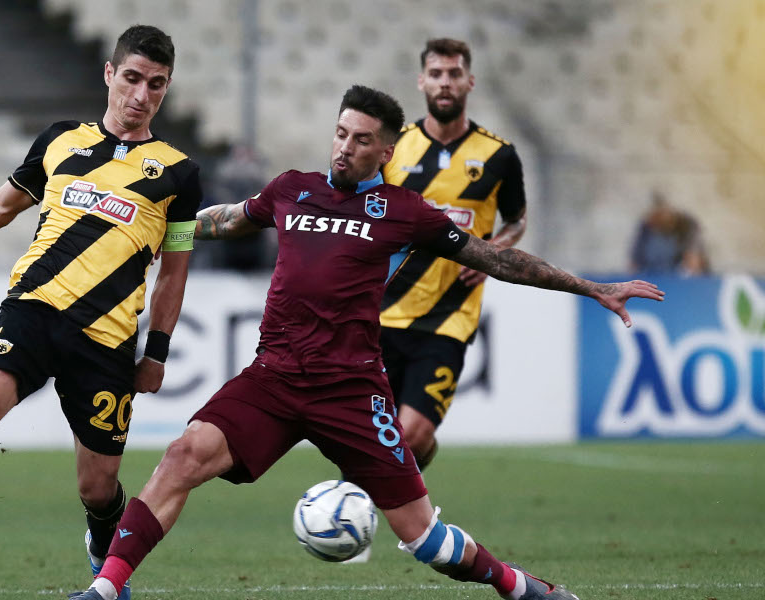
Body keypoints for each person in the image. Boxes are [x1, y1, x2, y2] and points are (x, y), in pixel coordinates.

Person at [70, 86, 663, 600]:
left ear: (386, 151)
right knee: (182, 456)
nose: (344, 148)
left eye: (360, 140)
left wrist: (591, 288)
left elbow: (498, 259)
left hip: (350, 391)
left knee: (426, 540)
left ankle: (520, 587)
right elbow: (224, 220)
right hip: (274, 377)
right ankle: (107, 587)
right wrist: (147, 219)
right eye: (340, 133)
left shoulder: (405, 212)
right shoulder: (292, 189)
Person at [0, 25, 200, 599]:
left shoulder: (179, 173)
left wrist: (157, 353)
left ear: (166, 88)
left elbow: (174, 271)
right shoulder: (60, 140)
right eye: (131, 78)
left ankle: (103, 556)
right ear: (109, 73)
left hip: (106, 339)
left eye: (156, 84)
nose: (141, 94)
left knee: (98, 487)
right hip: (33, 309)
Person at [379, 38, 528, 469]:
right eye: (437, 74)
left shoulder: (499, 155)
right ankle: (388, 500)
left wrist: (491, 254)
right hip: (381, 313)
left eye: (454, 74)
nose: (445, 82)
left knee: (409, 434)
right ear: (421, 81)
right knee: (375, 438)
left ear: (469, 81)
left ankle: (389, 490)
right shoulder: (393, 148)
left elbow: (517, 220)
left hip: (448, 319)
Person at [630, 191, 709, 275]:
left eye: (660, 216)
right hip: (651, 275)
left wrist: (691, 264)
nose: (656, 222)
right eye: (652, 218)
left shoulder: (688, 225)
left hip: (679, 276)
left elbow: (693, 261)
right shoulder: (646, 227)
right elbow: (634, 263)